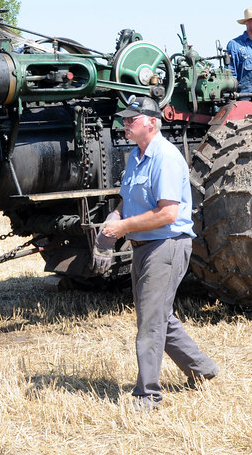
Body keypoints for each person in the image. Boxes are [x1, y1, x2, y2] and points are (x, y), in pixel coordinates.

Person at [100, 96, 219, 411]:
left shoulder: (165, 157)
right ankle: (202, 369)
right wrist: (115, 219)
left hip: (166, 245)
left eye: (132, 119)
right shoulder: (134, 157)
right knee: (157, 318)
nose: (125, 124)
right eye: (124, 119)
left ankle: (148, 396)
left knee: (150, 323)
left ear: (151, 122)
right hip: (144, 247)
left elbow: (167, 214)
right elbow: (128, 200)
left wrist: (123, 226)